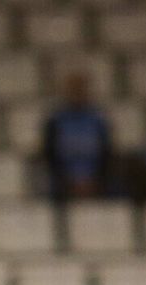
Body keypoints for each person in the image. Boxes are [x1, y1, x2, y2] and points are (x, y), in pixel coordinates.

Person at [42, 71, 111, 201]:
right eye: (73, 89)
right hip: (64, 186)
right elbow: (49, 156)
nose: (77, 93)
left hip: (95, 185)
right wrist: (68, 182)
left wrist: (93, 182)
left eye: (80, 88)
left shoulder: (98, 120)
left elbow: (106, 155)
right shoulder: (55, 121)